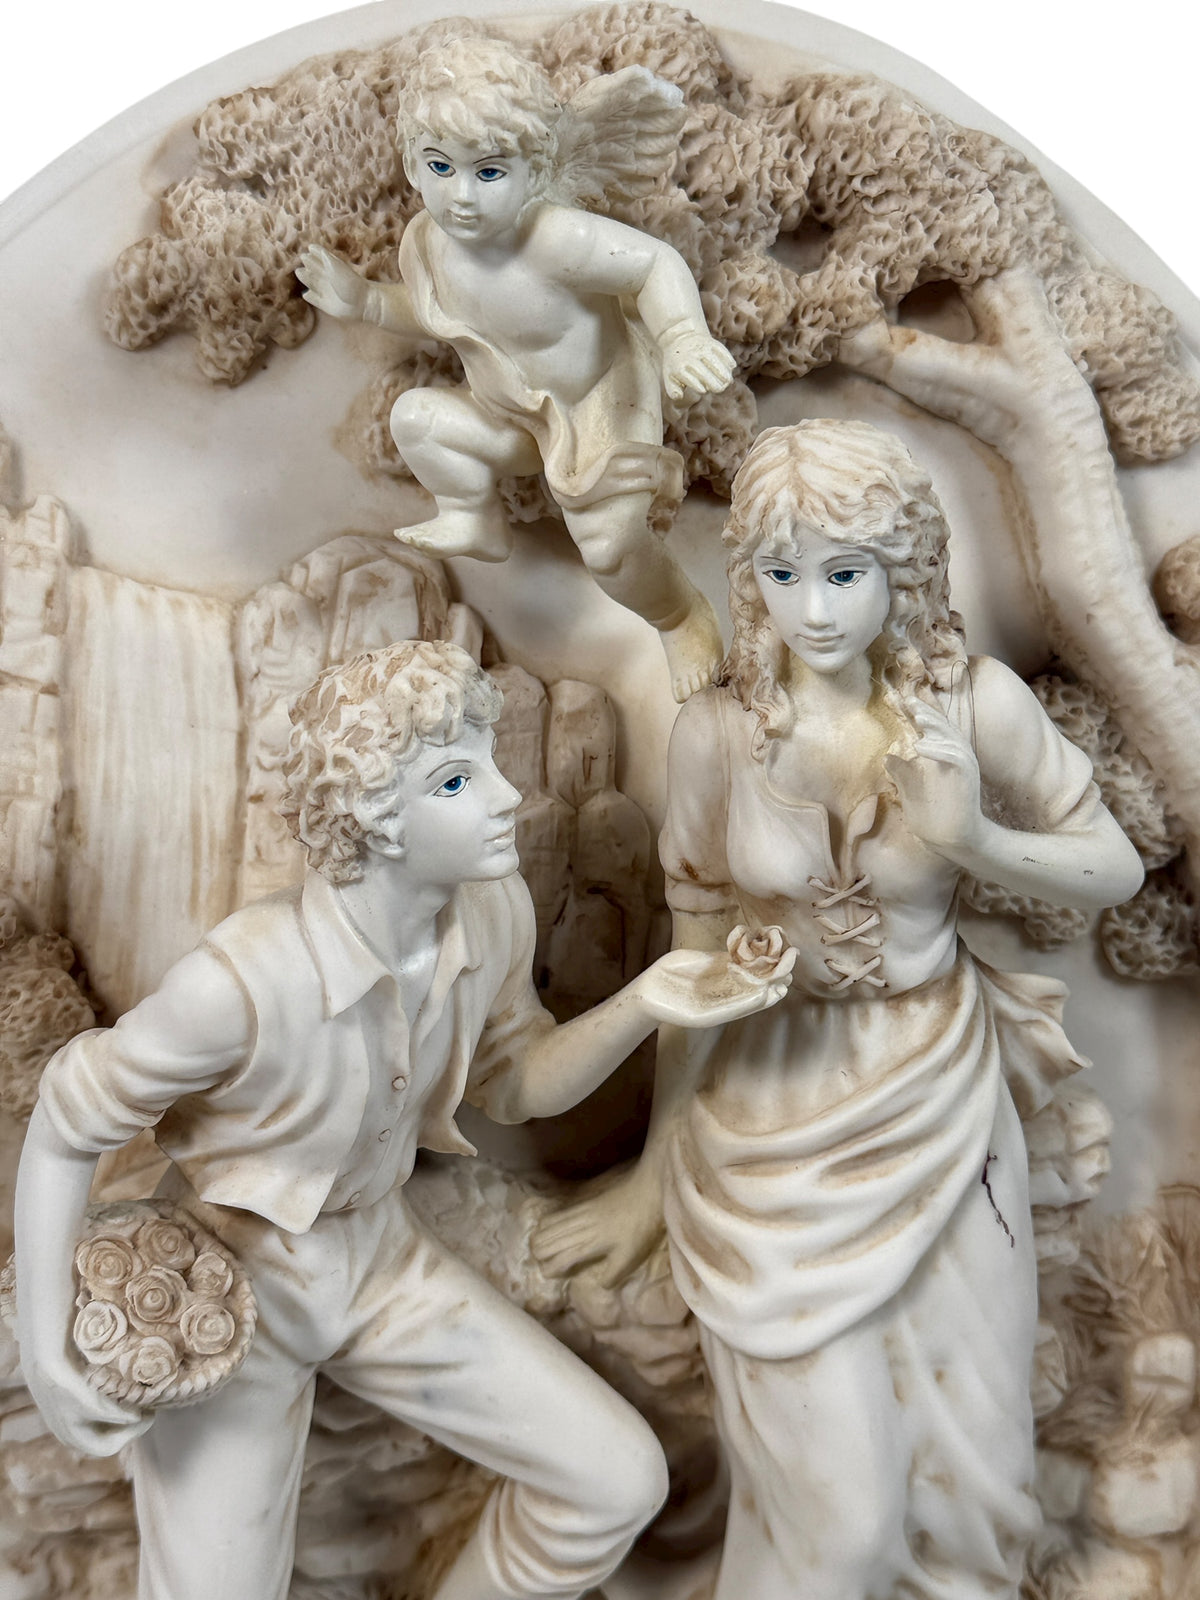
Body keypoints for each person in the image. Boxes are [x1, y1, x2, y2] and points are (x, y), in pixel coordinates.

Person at [14, 639, 793, 1600]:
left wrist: (648, 1002)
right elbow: (66, 1122)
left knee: (615, 1480)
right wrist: (46, 1350)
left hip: (381, 1257)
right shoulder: (241, 984)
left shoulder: (492, 910)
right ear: (375, 818)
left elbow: (516, 1082)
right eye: (458, 782)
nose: (507, 797)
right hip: (238, 1280)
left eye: (490, 764)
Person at [533, 422, 1145, 1600]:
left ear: (902, 569)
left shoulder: (975, 705)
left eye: (845, 572)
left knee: (977, 1486)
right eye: (782, 572)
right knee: (839, 1524)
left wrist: (974, 838)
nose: (812, 608)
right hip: (769, 1122)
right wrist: (654, 1178)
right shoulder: (719, 734)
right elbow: (697, 965)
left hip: (944, 1101)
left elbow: (1110, 865)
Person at [296, 30, 734, 702]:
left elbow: (653, 265)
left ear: (536, 171)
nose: (461, 197)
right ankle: (473, 513)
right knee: (415, 419)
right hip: (509, 411)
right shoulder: (427, 244)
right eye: (440, 167)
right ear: (411, 163)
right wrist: (366, 302)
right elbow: (432, 312)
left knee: (612, 550)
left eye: (489, 172)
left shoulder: (554, 239)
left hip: (598, 404)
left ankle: (680, 617)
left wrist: (681, 337)